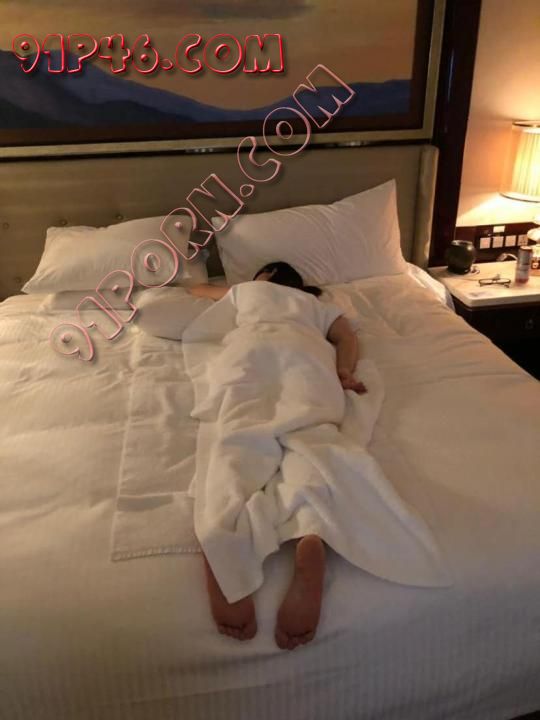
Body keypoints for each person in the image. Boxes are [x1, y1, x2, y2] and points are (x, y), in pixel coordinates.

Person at [188, 261, 367, 650]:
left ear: (264, 277)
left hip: (250, 352)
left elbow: (198, 290)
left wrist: (178, 283)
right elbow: (347, 338)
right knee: (312, 440)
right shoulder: (317, 305)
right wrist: (344, 372)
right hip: (307, 358)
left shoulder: (246, 291)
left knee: (239, 436)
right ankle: (310, 529)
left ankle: (223, 536)